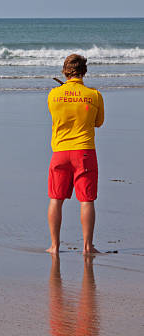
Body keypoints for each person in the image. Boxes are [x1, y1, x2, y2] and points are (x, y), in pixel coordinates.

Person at [47, 54, 104, 254]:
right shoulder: (94, 95)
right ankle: (88, 246)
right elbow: (98, 122)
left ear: (65, 71)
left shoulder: (54, 94)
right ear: (84, 71)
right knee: (87, 199)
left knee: (56, 198)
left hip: (60, 152)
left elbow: (56, 117)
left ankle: (54, 246)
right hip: (84, 152)